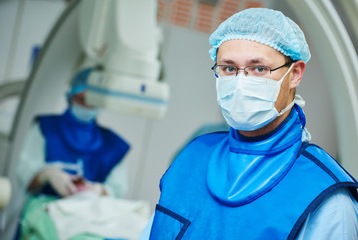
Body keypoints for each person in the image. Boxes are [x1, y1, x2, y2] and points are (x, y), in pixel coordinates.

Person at [142, 8, 358, 239]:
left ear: (295, 73)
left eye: (259, 69)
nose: (240, 83)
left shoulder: (326, 199)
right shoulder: (193, 158)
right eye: (229, 68)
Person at [16, 66, 130, 238]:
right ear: (71, 96)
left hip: (88, 214)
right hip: (45, 208)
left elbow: (117, 188)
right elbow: (25, 176)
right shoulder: (46, 128)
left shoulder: (112, 144)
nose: (88, 106)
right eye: (82, 99)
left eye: (94, 101)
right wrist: (48, 174)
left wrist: (98, 190)